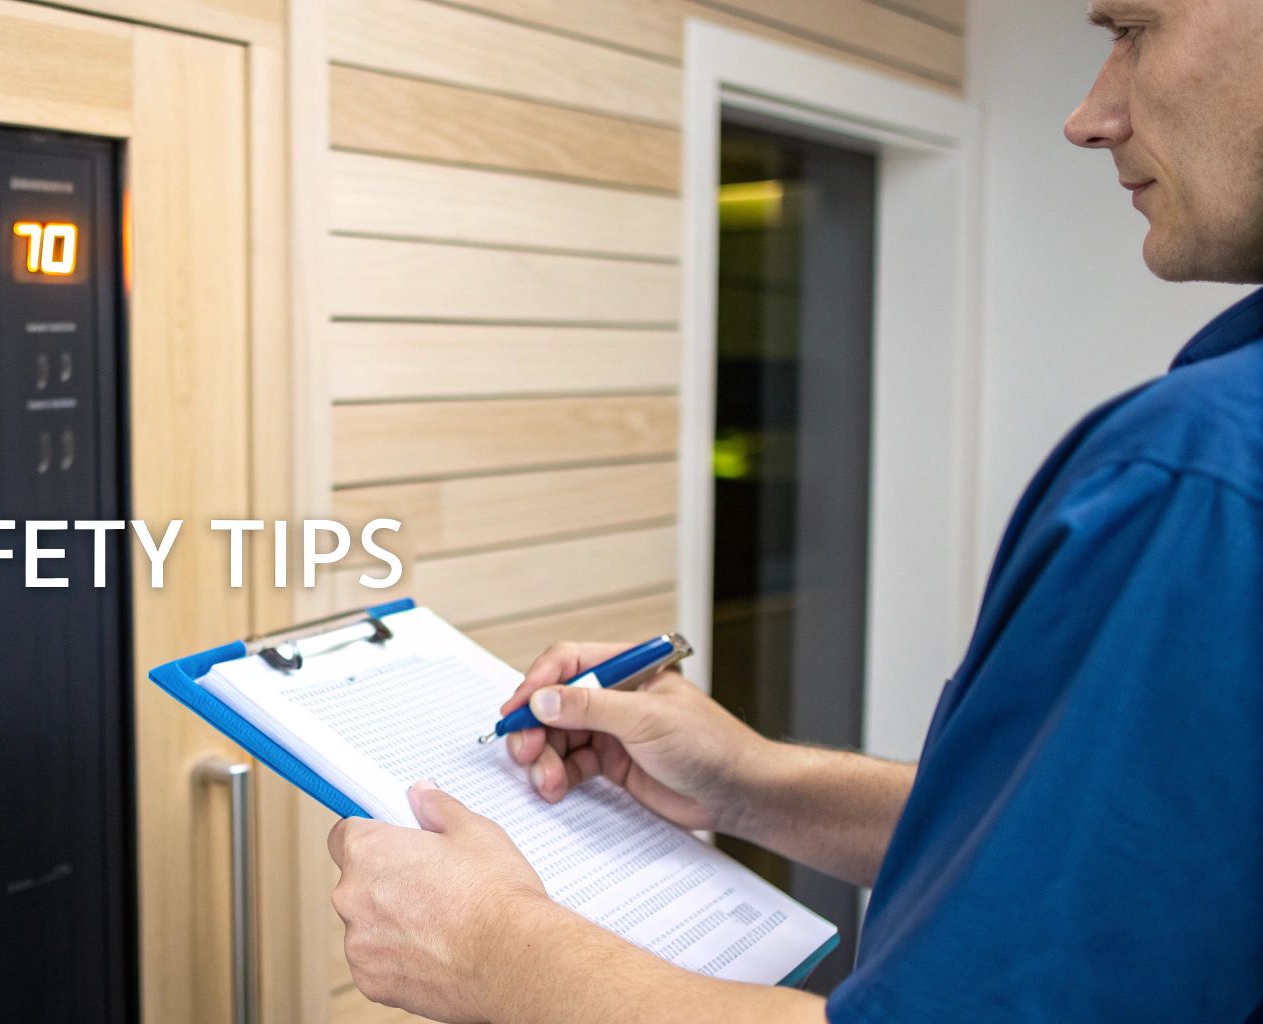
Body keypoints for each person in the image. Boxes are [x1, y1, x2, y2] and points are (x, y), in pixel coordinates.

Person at [326, 1, 1263, 1020]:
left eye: (1133, 29)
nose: (1088, 116)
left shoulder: (1201, 470)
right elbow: (1111, 863)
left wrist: (495, 952)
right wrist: (751, 781)